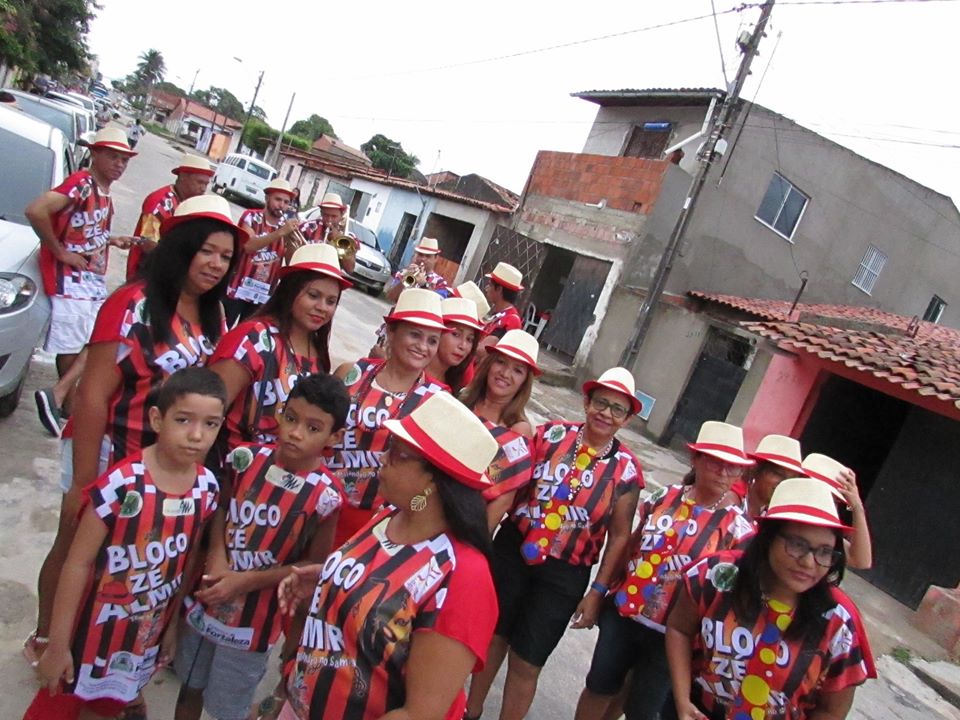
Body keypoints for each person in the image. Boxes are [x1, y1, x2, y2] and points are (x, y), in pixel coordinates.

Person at [27, 196, 244, 683]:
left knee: (129, 564)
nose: (216, 264)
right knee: (75, 545)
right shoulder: (132, 303)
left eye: (226, 257)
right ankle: (47, 639)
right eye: (207, 251)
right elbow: (92, 395)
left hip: (160, 463)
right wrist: (83, 482)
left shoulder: (215, 314)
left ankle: (107, 655)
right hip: (107, 448)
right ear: (181, 247)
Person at [275, 391, 500, 720]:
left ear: (434, 480)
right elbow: (382, 590)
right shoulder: (388, 516)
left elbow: (419, 714)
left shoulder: (464, 577)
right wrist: (330, 581)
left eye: (397, 453)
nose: (382, 457)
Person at [25, 368, 226, 720]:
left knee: (107, 707)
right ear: (157, 419)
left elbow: (186, 561)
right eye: (183, 420)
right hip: (86, 634)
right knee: (55, 707)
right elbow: (77, 563)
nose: (197, 435)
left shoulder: (207, 488)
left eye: (210, 424)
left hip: (140, 639)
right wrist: (57, 645)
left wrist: (172, 626)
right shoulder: (121, 484)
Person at [465, 367, 644, 720]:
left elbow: (620, 536)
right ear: (587, 402)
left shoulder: (627, 471)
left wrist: (597, 591)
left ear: (626, 419)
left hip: (565, 574)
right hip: (513, 550)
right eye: (601, 403)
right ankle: (469, 712)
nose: (606, 413)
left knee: (527, 660)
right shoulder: (549, 435)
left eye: (617, 409)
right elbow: (510, 482)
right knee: (492, 638)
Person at [173, 374, 350, 720]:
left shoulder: (327, 497)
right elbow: (220, 508)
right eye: (291, 418)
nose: (296, 432)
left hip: (251, 629)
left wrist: (246, 581)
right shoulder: (243, 459)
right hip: (206, 603)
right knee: (188, 688)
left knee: (228, 710)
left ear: (335, 437)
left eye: (313, 428)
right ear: (280, 412)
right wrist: (217, 556)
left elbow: (311, 566)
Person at [574, 421, 756, 720]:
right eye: (716, 462)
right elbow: (631, 546)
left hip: (674, 636)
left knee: (643, 709)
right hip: (624, 616)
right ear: (696, 459)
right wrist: (598, 593)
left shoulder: (739, 531)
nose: (724, 472)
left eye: (733, 467)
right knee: (599, 686)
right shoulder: (664, 497)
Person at [665, 477, 875, 720]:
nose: (809, 563)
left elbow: (831, 710)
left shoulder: (838, 621)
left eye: (824, 552)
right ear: (768, 537)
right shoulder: (717, 574)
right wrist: (683, 702)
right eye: (797, 545)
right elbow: (679, 629)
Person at [25, 127, 137, 438]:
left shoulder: (102, 192)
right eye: (113, 157)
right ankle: (62, 398)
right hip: (71, 282)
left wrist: (111, 240)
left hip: (89, 280)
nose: (119, 164)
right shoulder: (82, 184)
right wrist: (60, 252)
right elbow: (36, 211)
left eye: (124, 160)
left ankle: (63, 400)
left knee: (98, 338)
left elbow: (83, 231)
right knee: (79, 343)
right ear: (95, 154)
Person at [328, 288, 449, 547]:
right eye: (415, 334)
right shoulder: (352, 372)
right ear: (391, 332)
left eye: (432, 340)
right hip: (320, 502)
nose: (422, 347)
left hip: (377, 524)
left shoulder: (437, 401)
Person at [209, 243, 351, 452]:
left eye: (331, 301)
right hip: (230, 462)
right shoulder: (253, 338)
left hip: (281, 468)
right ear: (290, 291)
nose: (322, 307)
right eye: (313, 295)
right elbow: (208, 409)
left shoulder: (317, 353)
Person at [459, 329, 540, 530]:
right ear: (489, 363)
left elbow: (503, 500)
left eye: (517, 370)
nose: (505, 374)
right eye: (501, 362)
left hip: (467, 524)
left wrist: (475, 541)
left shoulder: (518, 430)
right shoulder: (463, 400)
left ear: (524, 382)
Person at [223, 178, 302, 327]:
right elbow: (249, 246)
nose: (282, 205)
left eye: (286, 202)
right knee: (223, 329)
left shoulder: (285, 227)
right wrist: (280, 233)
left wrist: (290, 242)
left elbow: (290, 261)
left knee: (247, 334)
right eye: (278, 199)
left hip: (262, 295)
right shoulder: (251, 217)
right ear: (267, 198)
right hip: (237, 288)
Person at [125, 154, 215, 280]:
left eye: (206, 184)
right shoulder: (160, 202)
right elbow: (147, 244)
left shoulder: (188, 203)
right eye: (199, 182)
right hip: (147, 275)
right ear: (183, 177)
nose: (203, 189)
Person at [802, 453, 874, 570]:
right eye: (825, 497)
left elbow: (861, 561)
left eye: (835, 502)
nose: (829, 506)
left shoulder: (822, 533)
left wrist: (857, 507)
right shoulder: (777, 510)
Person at [428, 297, 484, 394]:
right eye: (456, 334)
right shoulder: (412, 372)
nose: (463, 346)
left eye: (469, 339)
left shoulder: (459, 387)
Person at [743, 434, 805, 520]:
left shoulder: (772, 516)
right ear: (756, 469)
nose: (783, 484)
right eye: (778, 474)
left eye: (791, 480)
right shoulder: (733, 499)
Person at [294, 192, 357, 274]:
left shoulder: (348, 237)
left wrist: (340, 240)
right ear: (321, 213)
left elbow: (350, 269)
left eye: (334, 216)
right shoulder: (307, 227)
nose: (329, 220)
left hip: (329, 277)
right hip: (305, 272)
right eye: (326, 215)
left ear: (341, 215)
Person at [476, 262, 524, 359]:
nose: (486, 288)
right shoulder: (494, 311)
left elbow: (482, 350)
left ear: (499, 289)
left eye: (490, 285)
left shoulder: (511, 319)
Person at [385, 237, 451, 302]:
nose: (423, 259)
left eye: (428, 256)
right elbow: (390, 297)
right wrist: (405, 281)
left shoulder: (440, 282)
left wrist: (424, 285)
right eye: (420, 255)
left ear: (436, 258)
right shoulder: (403, 273)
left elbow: (438, 303)